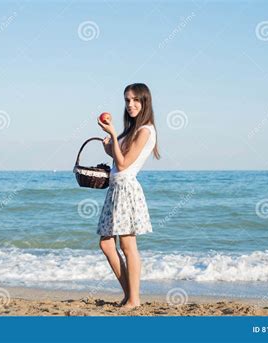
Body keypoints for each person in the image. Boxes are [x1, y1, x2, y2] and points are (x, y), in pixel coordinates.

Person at [97, 83, 160, 309]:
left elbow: (123, 165)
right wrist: (110, 144)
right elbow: (118, 158)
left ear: (145, 102)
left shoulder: (145, 130)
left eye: (135, 100)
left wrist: (113, 133)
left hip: (126, 190)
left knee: (127, 245)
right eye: (127, 100)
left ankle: (134, 299)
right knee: (106, 244)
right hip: (115, 189)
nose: (131, 104)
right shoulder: (132, 130)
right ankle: (129, 295)